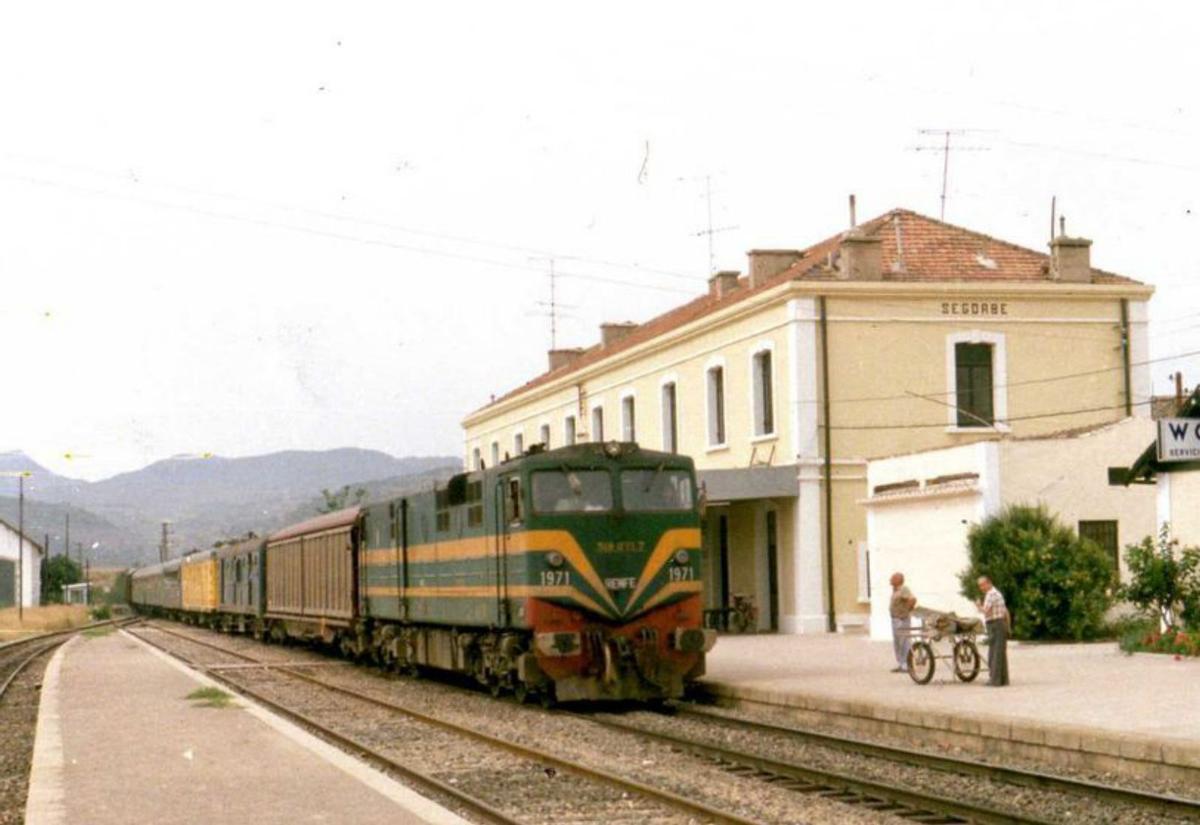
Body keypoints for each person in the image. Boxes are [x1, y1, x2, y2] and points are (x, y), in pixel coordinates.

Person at [976, 576, 1010, 686]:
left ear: (988, 583)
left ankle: (995, 680)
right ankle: (1003, 679)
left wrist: (978, 606)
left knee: (994, 653)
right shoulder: (997, 593)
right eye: (980, 586)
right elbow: (1005, 611)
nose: (981, 588)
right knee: (1000, 653)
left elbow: (986, 611)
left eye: (982, 585)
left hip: (995, 624)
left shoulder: (990, 594)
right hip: (1000, 623)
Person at [889, 572, 917, 673]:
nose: (890, 579)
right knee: (897, 642)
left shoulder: (903, 589)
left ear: (898, 580)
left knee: (904, 642)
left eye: (892, 578)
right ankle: (901, 663)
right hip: (895, 619)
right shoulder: (895, 590)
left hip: (902, 620)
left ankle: (906, 664)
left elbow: (912, 599)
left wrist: (907, 610)